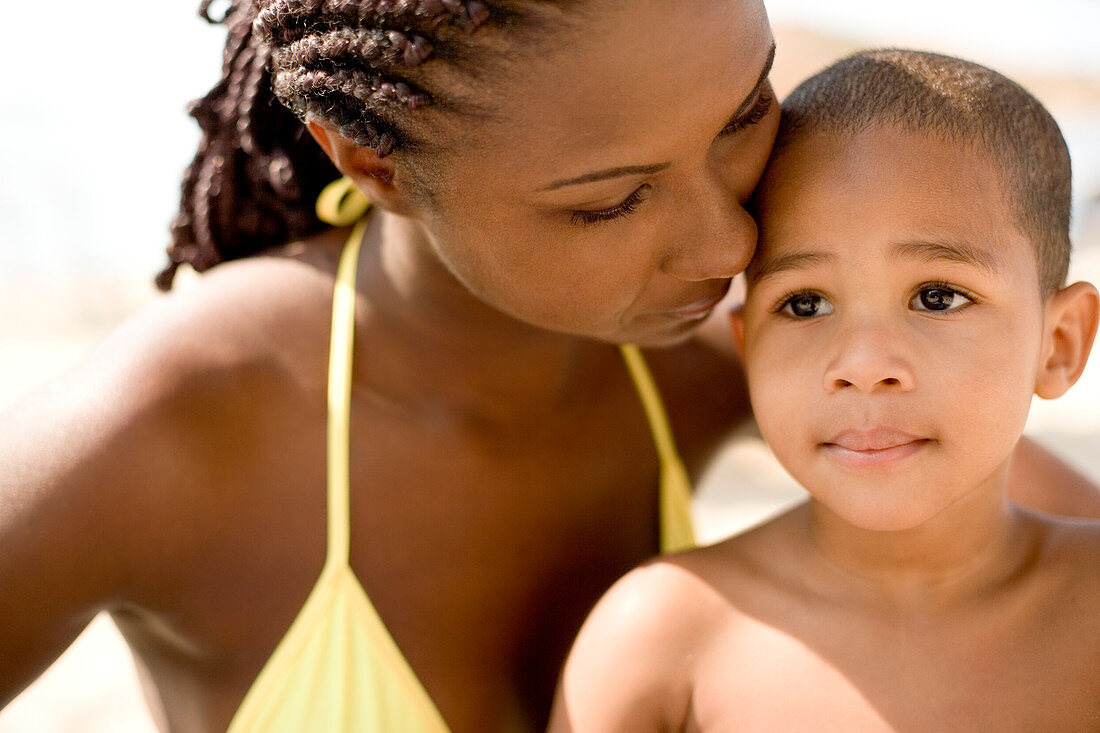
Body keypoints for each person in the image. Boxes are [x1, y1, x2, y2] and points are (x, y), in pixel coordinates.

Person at [0, 0, 1094, 727]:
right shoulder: (168, 427)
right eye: (611, 199)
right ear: (372, 161)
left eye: (743, 113)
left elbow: (997, 538)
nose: (727, 245)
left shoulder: (737, 351)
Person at [548, 49, 1100, 732]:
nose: (863, 365)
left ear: (1061, 343)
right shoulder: (662, 639)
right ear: (749, 348)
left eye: (936, 296)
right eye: (805, 304)